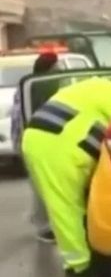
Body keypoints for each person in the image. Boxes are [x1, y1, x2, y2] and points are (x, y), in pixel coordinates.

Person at [22, 76, 111, 276]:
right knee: (66, 205)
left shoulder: (91, 87)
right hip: (56, 146)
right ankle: (80, 263)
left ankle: (77, 258)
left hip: (38, 139)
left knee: (62, 203)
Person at [9, 52, 60, 243]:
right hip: (39, 139)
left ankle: (40, 220)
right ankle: (43, 226)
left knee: (39, 183)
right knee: (42, 184)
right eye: (57, 65)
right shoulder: (46, 85)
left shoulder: (29, 83)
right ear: (50, 67)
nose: (60, 69)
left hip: (27, 138)